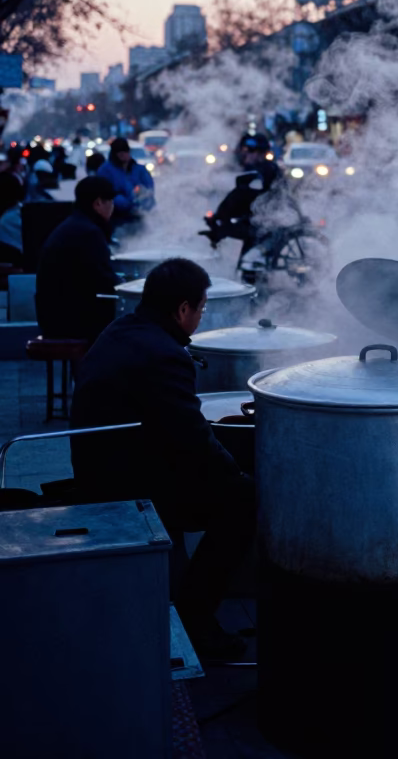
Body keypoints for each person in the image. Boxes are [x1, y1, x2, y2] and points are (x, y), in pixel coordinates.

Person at [70, 258, 255, 660]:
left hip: (101, 465)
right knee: (244, 503)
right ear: (183, 308)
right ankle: (195, 620)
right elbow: (192, 437)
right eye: (202, 308)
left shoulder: (121, 329)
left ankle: (187, 602)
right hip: (126, 484)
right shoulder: (164, 353)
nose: (201, 316)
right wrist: (237, 475)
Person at [35, 175, 118, 345]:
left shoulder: (74, 224)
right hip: (70, 322)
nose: (113, 206)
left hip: (53, 316)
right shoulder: (89, 233)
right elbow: (105, 281)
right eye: (111, 201)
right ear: (98, 203)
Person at [98, 136, 155, 228]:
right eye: (119, 152)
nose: (123, 155)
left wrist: (144, 200)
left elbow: (149, 189)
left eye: (125, 152)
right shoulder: (105, 171)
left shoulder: (139, 170)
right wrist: (121, 202)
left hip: (140, 215)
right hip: (116, 218)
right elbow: (103, 193)